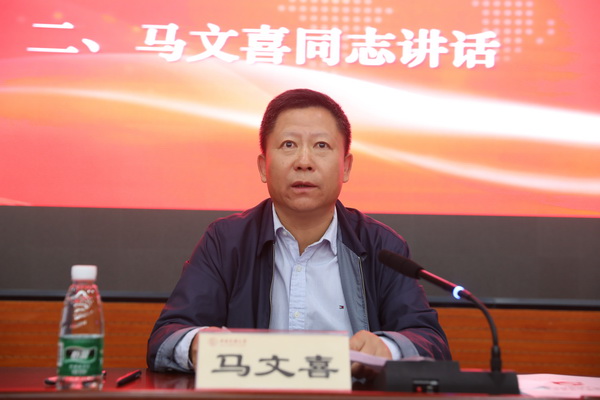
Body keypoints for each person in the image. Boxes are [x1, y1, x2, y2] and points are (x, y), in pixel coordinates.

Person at [147, 88, 451, 377]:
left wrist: (388, 349)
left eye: (321, 146)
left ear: (346, 167)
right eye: (288, 145)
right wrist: (197, 344)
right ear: (263, 166)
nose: (304, 162)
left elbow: (430, 342)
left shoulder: (382, 246)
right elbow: (166, 339)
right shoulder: (225, 241)